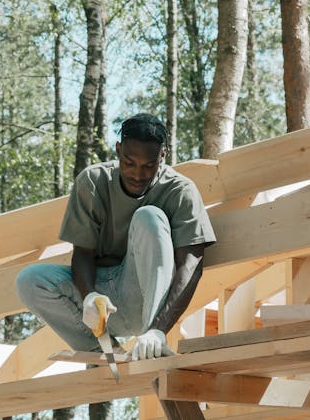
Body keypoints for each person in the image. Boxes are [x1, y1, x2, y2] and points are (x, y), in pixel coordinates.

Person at [16, 113, 216, 361]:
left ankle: (150, 348)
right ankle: (107, 354)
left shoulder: (180, 190)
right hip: (104, 303)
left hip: (149, 302)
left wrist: (158, 330)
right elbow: (83, 252)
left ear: (162, 156)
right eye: (129, 163)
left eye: (149, 165)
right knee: (30, 280)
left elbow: (191, 266)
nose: (137, 174)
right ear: (118, 150)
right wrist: (89, 296)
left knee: (149, 217)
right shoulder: (92, 181)